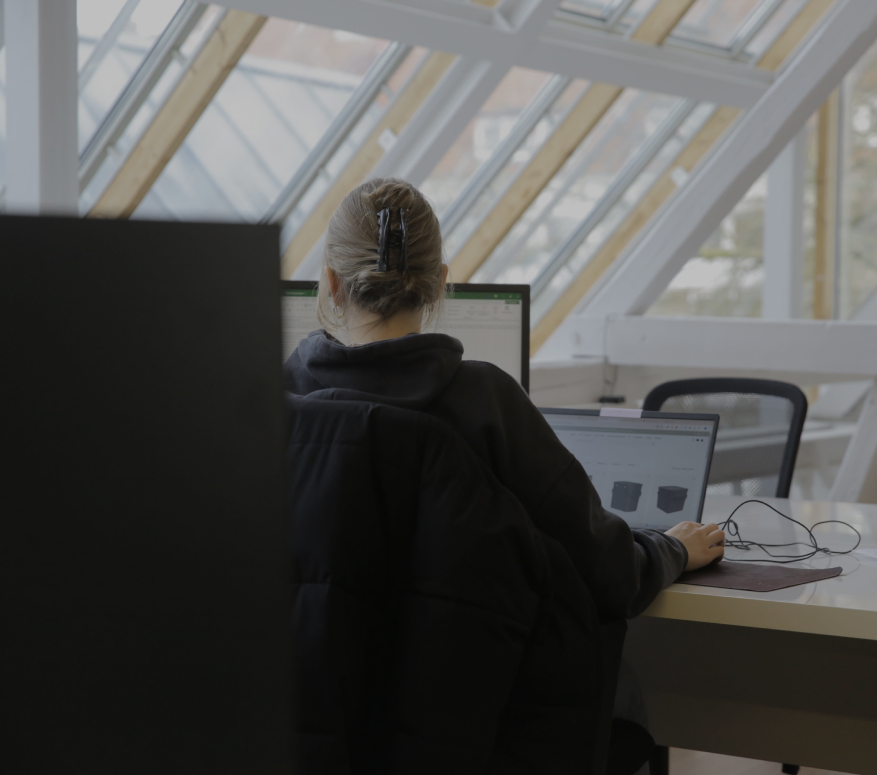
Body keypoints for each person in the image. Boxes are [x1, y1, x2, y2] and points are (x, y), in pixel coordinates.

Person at [285, 177, 725, 771]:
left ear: (330, 283)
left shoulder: (279, 407)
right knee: (630, 702)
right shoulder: (484, 401)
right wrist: (671, 550)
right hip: (476, 736)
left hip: (313, 731)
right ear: (441, 282)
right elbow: (612, 574)